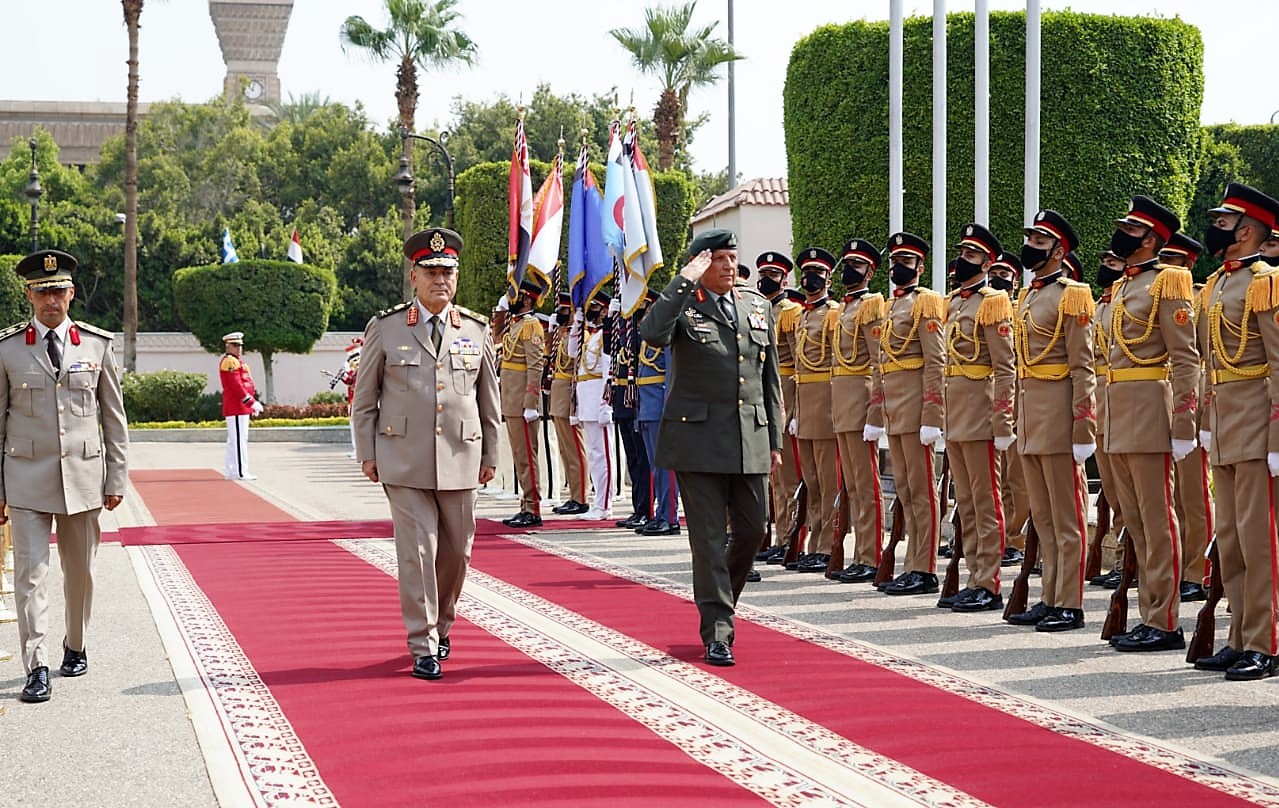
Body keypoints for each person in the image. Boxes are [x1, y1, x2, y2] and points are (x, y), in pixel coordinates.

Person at [351, 227, 500, 682]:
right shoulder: (388, 326)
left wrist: (492, 455)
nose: (440, 280)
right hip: (403, 458)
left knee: (457, 552)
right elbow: (365, 396)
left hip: (460, 456)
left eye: (447, 272)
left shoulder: (475, 329)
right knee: (419, 550)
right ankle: (424, 642)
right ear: (413, 276)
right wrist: (366, 451)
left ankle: (444, 622)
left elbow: (488, 399)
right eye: (431, 271)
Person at [639, 228, 782, 667]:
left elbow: (769, 380)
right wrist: (682, 281)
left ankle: (723, 602)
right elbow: (652, 332)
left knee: (754, 529)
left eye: (731, 257)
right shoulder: (682, 304)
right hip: (697, 442)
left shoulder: (757, 306)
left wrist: (774, 439)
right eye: (718, 258)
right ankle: (718, 630)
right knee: (708, 539)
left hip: (748, 439)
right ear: (701, 263)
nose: (727, 265)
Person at [0, 249, 128, 703]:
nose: (50, 299)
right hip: (26, 478)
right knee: (29, 576)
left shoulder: (96, 345)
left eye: (57, 290)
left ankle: (75, 644)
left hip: (82, 477)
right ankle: (36, 666)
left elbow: (113, 417)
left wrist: (117, 478)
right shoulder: (8, 349)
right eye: (41, 291)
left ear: (71, 293)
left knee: (80, 573)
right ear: (29, 295)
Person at [1100, 196, 1199, 653]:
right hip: (1119, 408)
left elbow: (1185, 357)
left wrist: (1184, 421)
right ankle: (1146, 610)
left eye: (1131, 230)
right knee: (1135, 518)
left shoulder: (1170, 282)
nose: (1121, 234)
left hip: (1150, 407)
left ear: (1153, 239)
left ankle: (1165, 619)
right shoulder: (1123, 287)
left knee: (1159, 519)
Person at [1193, 183, 1279, 680]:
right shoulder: (1219, 283)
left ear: (1246, 231)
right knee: (1230, 537)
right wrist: (1205, 423)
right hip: (1224, 422)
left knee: (1258, 538)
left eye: (1223, 223)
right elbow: (1209, 363)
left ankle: (1266, 642)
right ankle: (1239, 634)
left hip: (1254, 422)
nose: (1215, 229)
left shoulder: (1265, 283)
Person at [1005, 210, 1096, 632]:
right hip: (1031, 417)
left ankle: (1070, 602)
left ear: (1058, 250)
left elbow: (1083, 367)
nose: (1031, 248)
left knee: (1067, 516)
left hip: (1059, 415)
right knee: (1042, 517)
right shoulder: (1029, 296)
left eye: (1040, 242)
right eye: (1031, 240)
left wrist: (1083, 426)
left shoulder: (1072, 295)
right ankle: (1050, 595)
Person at [938, 224, 1016, 613]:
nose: (960, 261)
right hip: (956, 415)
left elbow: (1006, 367)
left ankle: (988, 581)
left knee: (986, 503)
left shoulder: (993, 302)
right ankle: (970, 575)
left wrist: (1003, 421)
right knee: (964, 502)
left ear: (987, 263)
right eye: (961, 253)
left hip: (982, 414)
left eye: (971, 256)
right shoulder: (954, 303)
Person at [865, 232, 947, 596]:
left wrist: (933, 414)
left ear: (920, 266)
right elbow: (882, 365)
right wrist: (877, 412)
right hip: (896, 412)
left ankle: (925, 567)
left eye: (907, 261)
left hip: (916, 410)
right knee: (906, 491)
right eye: (895, 260)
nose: (899, 266)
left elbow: (936, 362)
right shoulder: (890, 307)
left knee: (923, 489)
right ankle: (912, 563)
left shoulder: (925, 303)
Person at [1157, 232, 1211, 604]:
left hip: (1191, 400)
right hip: (1159, 400)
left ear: (1189, 264)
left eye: (1174, 260)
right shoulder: (1151, 297)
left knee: (1194, 495)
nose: (1166, 268)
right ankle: (1176, 566)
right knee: (1170, 496)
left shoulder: (1201, 298)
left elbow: (1199, 357)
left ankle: (1198, 569)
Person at [829, 239, 887, 584]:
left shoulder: (870, 306)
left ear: (870, 272)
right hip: (841, 404)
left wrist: (876, 413)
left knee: (867, 485)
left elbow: (879, 362)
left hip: (861, 402)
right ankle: (858, 553)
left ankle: (871, 555)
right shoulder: (845, 309)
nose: (849, 269)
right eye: (847, 262)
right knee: (851, 484)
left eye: (858, 264)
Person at [787, 247, 841, 575]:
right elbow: (796, 366)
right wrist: (794, 412)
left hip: (826, 405)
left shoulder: (833, 313)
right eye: (807, 271)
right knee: (812, 482)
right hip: (805, 406)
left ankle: (826, 545)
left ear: (828, 278)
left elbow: (839, 362)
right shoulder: (802, 316)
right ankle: (812, 542)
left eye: (818, 272)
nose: (811, 277)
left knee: (829, 481)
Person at [754, 253, 802, 564]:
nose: (766, 279)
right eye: (764, 273)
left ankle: (789, 538)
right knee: (772, 479)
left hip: (784, 392)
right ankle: (774, 534)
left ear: (784, 279)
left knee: (787, 478)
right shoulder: (760, 310)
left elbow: (800, 362)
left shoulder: (791, 312)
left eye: (773, 274)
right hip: (762, 394)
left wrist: (795, 409)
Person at [988, 251, 1030, 567]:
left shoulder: (1018, 312)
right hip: (988, 400)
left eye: (1005, 274)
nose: (998, 278)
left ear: (1015, 281)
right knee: (998, 478)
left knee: (1017, 478)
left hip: (1015, 398)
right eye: (995, 272)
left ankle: (1017, 538)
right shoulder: (987, 310)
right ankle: (1001, 537)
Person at [499, 277, 547, 528]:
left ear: (527, 299)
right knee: (520, 456)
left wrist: (531, 401)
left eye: (515, 296)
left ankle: (533, 508)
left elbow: (536, 365)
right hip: (511, 400)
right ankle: (525, 504)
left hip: (522, 402)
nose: (511, 299)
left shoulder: (532, 327)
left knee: (528, 456)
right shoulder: (517, 325)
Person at [635, 289, 680, 536]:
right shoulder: (648, 339)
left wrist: (669, 406)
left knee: (666, 467)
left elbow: (672, 373)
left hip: (661, 409)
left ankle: (670, 517)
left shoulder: (668, 336)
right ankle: (660, 512)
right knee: (655, 465)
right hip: (647, 408)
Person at [546, 293, 589, 515]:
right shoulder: (561, 335)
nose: (561, 315)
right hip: (558, 394)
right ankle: (573, 493)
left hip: (570, 394)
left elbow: (576, 363)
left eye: (565, 311)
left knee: (574, 448)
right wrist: (551, 332)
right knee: (565, 449)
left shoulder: (582, 335)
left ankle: (580, 496)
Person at [574, 291, 615, 520]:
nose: (594, 311)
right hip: (586, 400)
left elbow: (608, 370)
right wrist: (576, 325)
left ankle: (604, 504)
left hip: (599, 399)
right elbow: (573, 354)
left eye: (597, 307)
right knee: (593, 453)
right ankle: (598, 500)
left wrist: (606, 403)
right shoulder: (590, 336)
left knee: (603, 454)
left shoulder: (605, 336)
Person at [220, 331, 264, 480]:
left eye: (240, 345)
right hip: (236, 406)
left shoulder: (239, 362)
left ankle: (231, 470)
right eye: (235, 345)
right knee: (238, 440)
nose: (239, 348)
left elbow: (246, 384)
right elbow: (236, 386)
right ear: (228, 346)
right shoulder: (230, 362)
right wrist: (251, 402)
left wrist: (251, 404)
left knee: (235, 440)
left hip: (241, 406)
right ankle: (240, 472)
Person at [335, 337, 363, 459]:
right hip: (353, 399)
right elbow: (348, 380)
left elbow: (352, 380)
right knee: (353, 425)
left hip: (363, 400)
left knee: (360, 426)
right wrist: (343, 375)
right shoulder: (352, 365)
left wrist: (347, 375)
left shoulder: (365, 364)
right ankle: (356, 450)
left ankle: (361, 451)